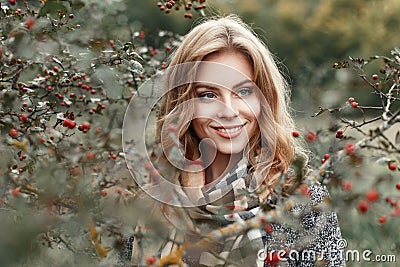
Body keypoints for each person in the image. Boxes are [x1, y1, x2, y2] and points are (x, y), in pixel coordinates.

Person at [120, 15, 345, 267]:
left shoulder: (303, 202)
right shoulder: (149, 204)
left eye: (244, 91)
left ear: (265, 100)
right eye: (208, 94)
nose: (228, 111)